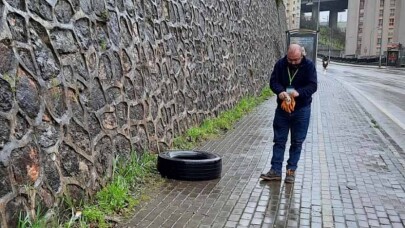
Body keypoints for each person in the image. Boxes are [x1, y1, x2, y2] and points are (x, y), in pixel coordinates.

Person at [260, 44, 317, 183]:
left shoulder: (309, 66)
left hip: (301, 109)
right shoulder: (280, 64)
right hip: (282, 110)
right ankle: (275, 171)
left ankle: (290, 172)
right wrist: (280, 92)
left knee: (297, 142)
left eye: (295, 60)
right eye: (290, 60)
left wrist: (299, 93)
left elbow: (313, 85)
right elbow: (273, 82)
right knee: (279, 141)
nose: (292, 63)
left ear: (302, 55)